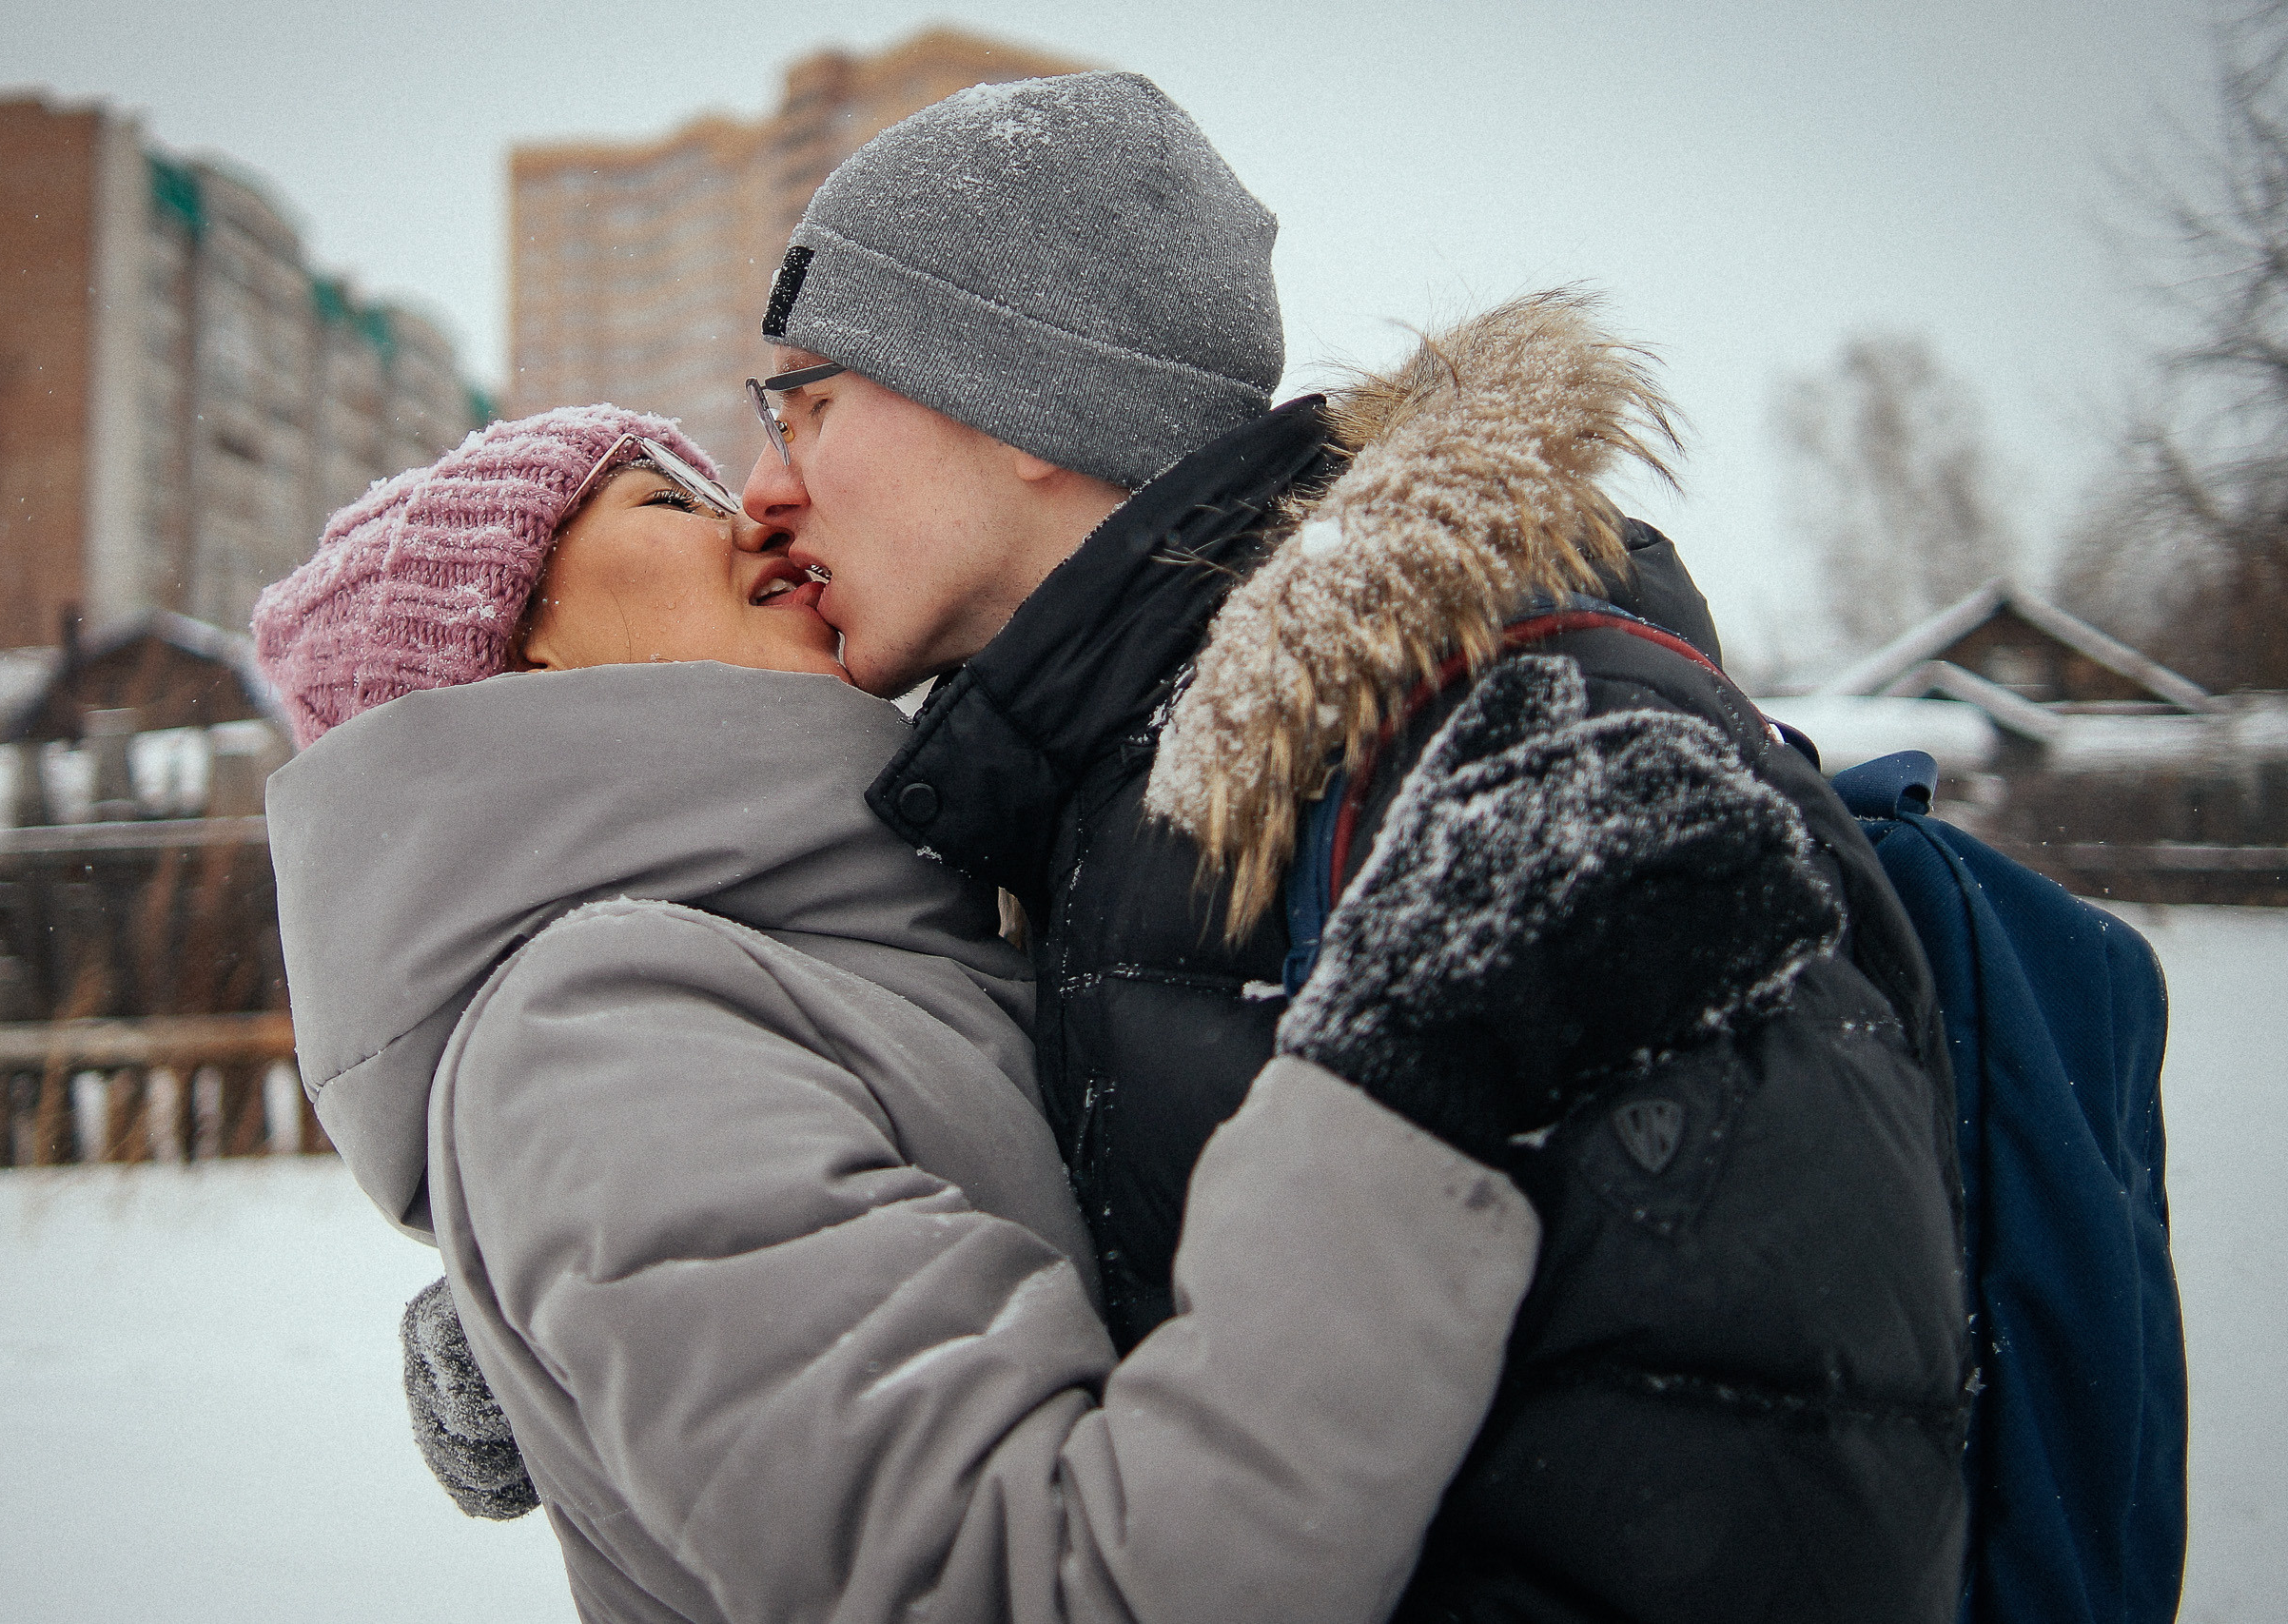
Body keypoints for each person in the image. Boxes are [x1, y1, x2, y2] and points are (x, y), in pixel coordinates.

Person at [738, 71, 1971, 1622]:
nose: (765, 488)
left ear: (1020, 394)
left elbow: (1783, 1497)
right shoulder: (1092, 809)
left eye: (812, 400)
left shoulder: (1529, 759)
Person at [250, 403, 1541, 1624]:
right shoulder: (597, 1037)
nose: (762, 514)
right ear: (515, 649)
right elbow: (1042, 1589)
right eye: (666, 500)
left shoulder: (871, 942)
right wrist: (1412, 1070)